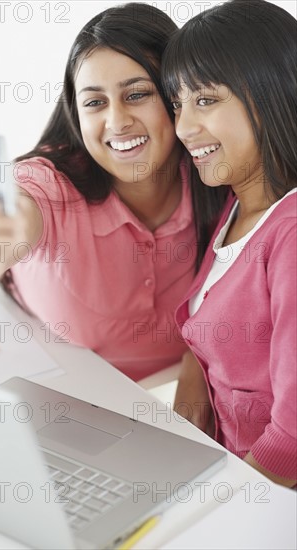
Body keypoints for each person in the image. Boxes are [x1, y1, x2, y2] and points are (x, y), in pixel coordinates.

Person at [0, 3, 226, 384]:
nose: (117, 121)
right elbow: (19, 205)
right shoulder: (49, 185)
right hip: (69, 403)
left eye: (137, 94)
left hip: (189, 403)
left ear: (178, 95)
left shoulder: (214, 171)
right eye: (95, 102)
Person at [162, 0, 297, 485]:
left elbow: (292, 440)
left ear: (272, 90)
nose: (183, 128)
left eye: (206, 99)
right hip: (223, 470)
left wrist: (219, 513)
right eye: (178, 103)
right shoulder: (237, 204)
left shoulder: (291, 236)